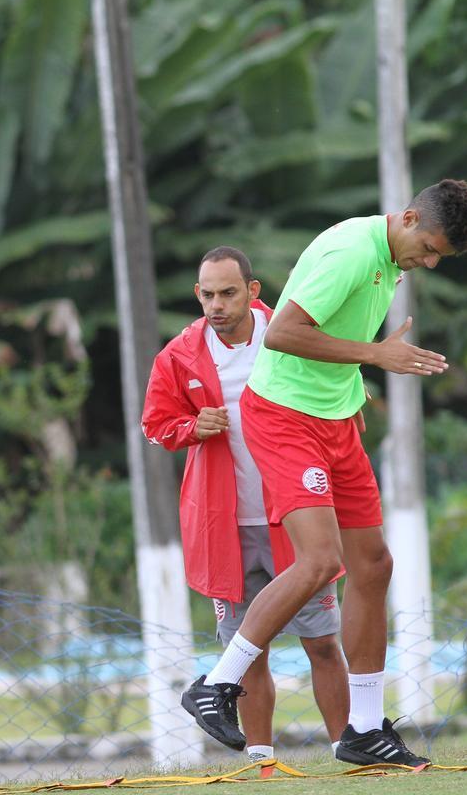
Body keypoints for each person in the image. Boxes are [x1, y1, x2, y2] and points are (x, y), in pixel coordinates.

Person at [180, 180, 467, 766]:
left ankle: (364, 730)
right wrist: (375, 356)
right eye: (430, 247)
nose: (429, 261)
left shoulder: (392, 258)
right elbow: (286, 333)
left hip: (336, 419)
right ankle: (215, 684)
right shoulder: (352, 251)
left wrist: (355, 389)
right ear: (410, 216)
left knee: (374, 563)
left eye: (440, 256)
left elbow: (332, 337)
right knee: (319, 562)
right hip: (285, 418)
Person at [143, 246, 349, 763]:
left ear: (253, 292)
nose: (217, 304)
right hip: (226, 528)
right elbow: (155, 426)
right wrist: (193, 428)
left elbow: (335, 395)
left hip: (295, 518)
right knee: (247, 652)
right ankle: (262, 761)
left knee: (322, 642)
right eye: (208, 294)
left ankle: (350, 748)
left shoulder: (289, 335)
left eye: (228, 293)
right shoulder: (178, 355)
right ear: (197, 295)